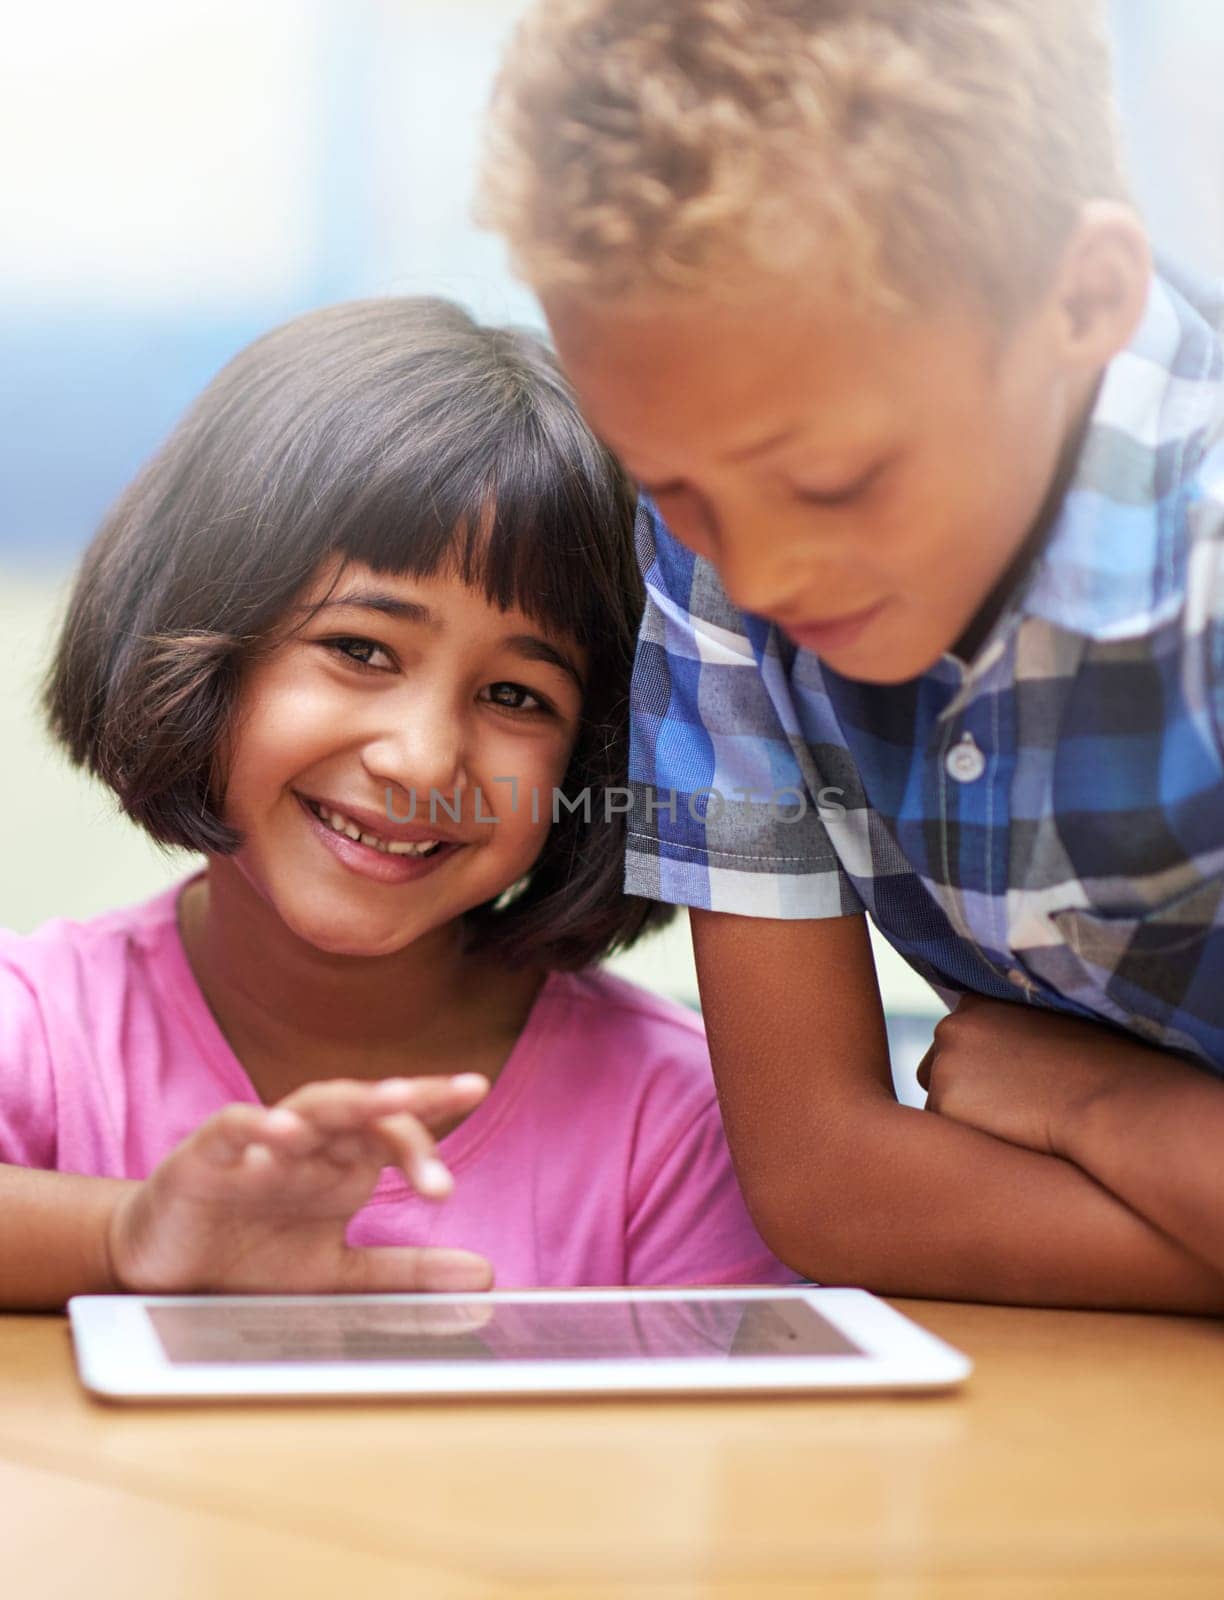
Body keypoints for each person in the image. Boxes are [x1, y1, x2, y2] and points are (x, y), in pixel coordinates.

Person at [478, 0, 1224, 1310]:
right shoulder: (727, 533)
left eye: (836, 481)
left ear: (1084, 300)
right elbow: (829, 1186)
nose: (761, 577)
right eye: (676, 487)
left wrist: (1102, 1105)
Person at [0, 298, 795, 1309]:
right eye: (361, 649)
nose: (423, 761)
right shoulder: (34, 1035)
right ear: (203, 637)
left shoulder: (675, 1126)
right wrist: (123, 1239)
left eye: (518, 695)